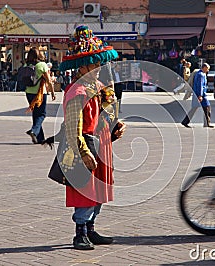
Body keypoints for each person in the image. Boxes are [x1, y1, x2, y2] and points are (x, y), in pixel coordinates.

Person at [57, 25, 125, 250]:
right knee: (86, 189)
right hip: (85, 144)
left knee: (99, 189)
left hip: (100, 143)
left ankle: (91, 228)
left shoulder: (96, 86)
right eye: (94, 63)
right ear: (82, 65)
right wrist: (83, 152)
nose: (98, 67)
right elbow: (72, 127)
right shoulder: (77, 92)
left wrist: (115, 126)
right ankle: (80, 233)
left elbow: (104, 113)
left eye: (99, 63)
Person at [24, 47, 56, 144]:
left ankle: (39, 138)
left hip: (29, 92)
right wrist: (53, 93)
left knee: (36, 114)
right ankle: (34, 131)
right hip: (40, 93)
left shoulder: (26, 65)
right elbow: (49, 80)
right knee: (42, 114)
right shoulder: (42, 65)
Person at [181, 62, 213, 128]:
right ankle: (207, 123)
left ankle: (185, 121)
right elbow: (200, 86)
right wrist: (200, 95)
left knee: (195, 108)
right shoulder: (201, 75)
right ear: (204, 68)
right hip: (201, 95)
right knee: (207, 108)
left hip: (197, 94)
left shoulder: (198, 74)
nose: (208, 70)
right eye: (207, 69)